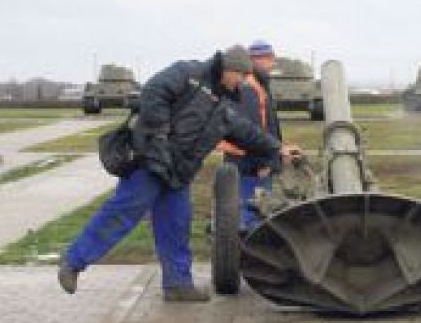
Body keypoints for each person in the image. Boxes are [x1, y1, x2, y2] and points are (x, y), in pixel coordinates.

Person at [57, 45, 298, 301]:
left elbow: (247, 132)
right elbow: (153, 91)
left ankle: (177, 284)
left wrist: (278, 148)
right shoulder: (189, 74)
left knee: (176, 225)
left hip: (178, 172)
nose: (241, 83)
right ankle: (73, 263)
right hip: (150, 162)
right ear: (229, 70)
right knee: (122, 212)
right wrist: (158, 135)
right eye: (240, 76)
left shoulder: (223, 106)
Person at [218, 40, 288, 230]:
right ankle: (246, 256)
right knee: (253, 217)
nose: (272, 64)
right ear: (255, 60)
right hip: (250, 165)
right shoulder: (249, 88)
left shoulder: (257, 85)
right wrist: (264, 162)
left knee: (252, 214)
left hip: (248, 162)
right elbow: (249, 130)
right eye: (268, 59)